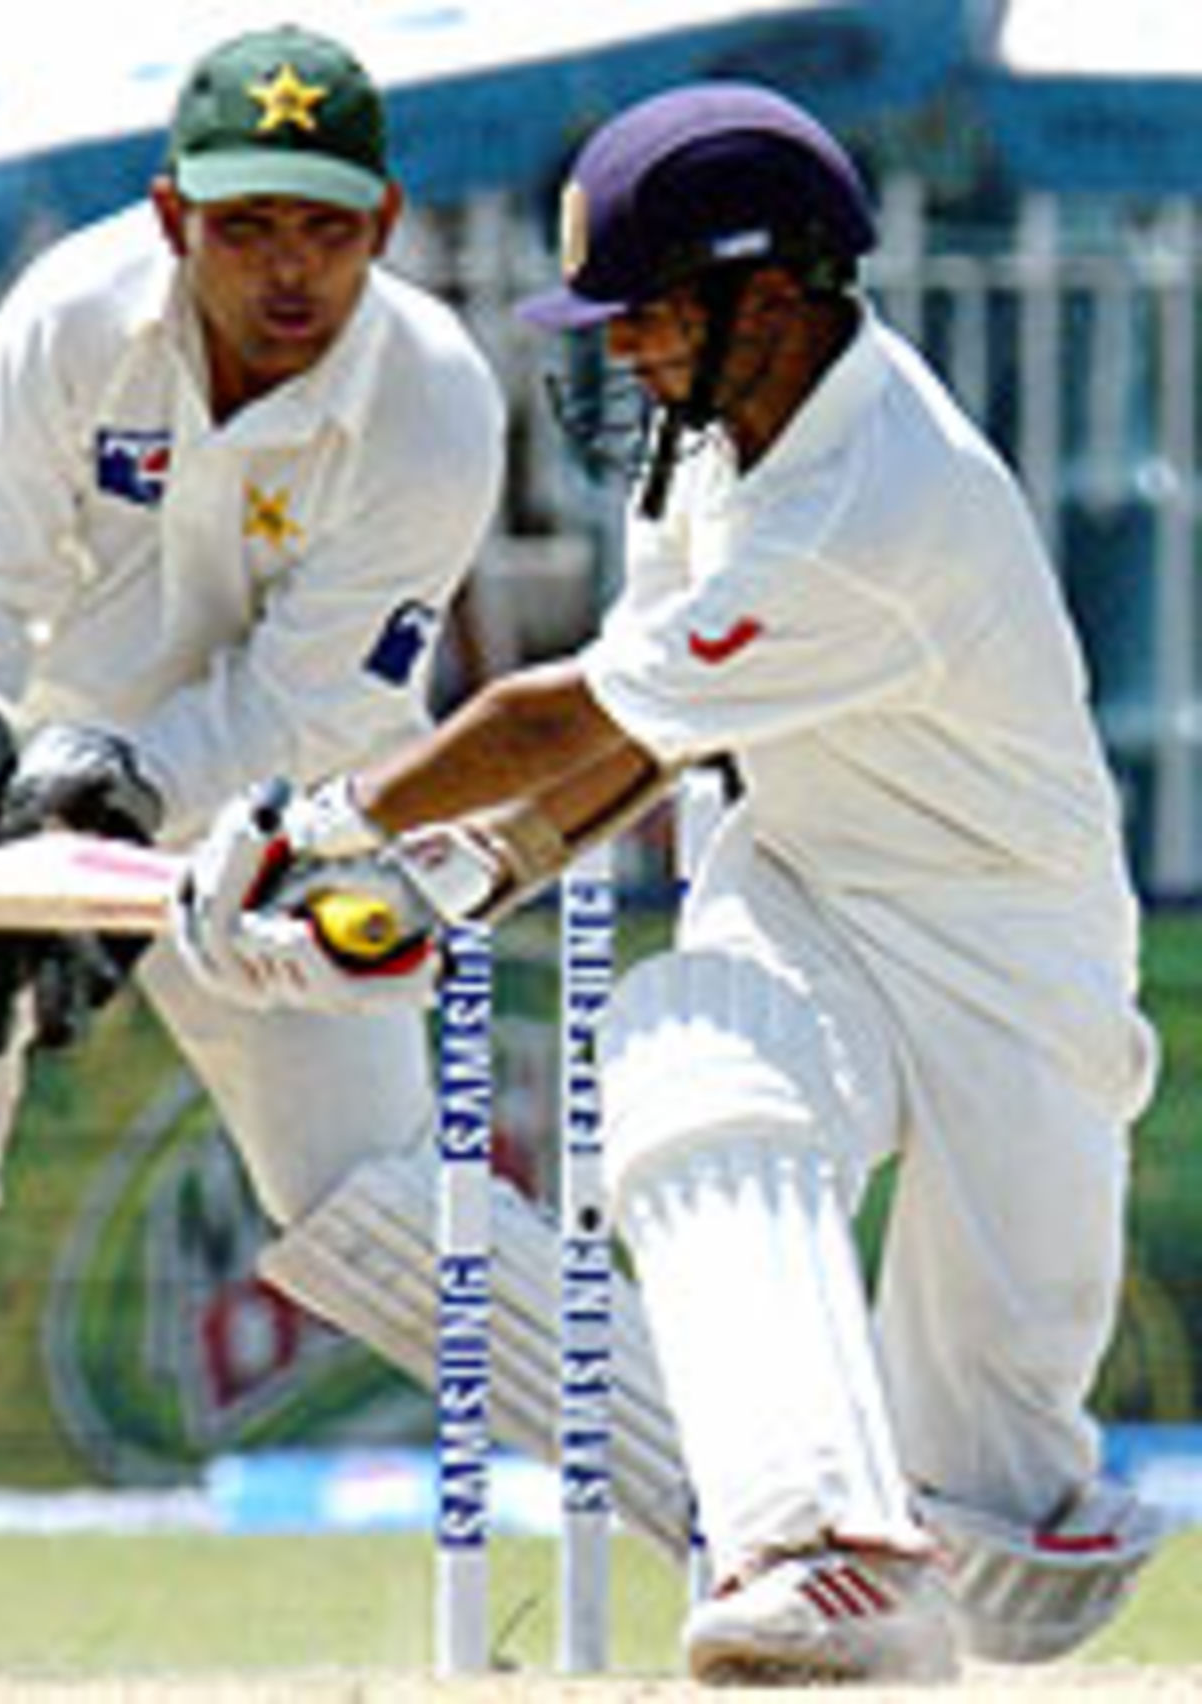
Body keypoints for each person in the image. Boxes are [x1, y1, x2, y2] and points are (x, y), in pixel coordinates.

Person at [175, 82, 1171, 1686]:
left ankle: (979, 1531)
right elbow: (652, 748)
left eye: (644, 317)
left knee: (996, 1551)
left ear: (769, 299)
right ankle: (811, 1539)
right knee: (684, 1071)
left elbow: (567, 714)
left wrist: (316, 825)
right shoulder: (716, 449)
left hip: (1009, 948)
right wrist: (453, 887)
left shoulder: (874, 499)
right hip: (802, 884)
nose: (622, 355)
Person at [0, 23, 526, 1677]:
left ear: (388, 225)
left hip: (280, 826)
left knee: (386, 1214)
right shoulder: (72, 314)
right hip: (19, 815)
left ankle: (767, 1535)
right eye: (249, 225)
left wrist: (117, 790)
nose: (290, 273)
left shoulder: (435, 399)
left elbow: (314, 699)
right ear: (172, 213)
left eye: (327, 230)